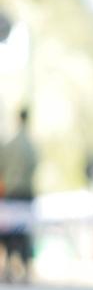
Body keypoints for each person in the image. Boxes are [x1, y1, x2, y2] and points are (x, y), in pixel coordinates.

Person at [0, 108, 38, 279]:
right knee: (25, 229)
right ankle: (25, 268)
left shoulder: (9, 144)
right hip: (25, 191)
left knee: (8, 229)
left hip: (10, 191)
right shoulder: (31, 146)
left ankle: (8, 264)